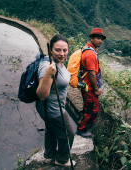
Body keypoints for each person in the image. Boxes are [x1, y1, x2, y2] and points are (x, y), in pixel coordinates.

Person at [35, 35, 75, 167]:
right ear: (50, 50)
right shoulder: (47, 66)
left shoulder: (59, 63)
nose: (62, 54)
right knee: (68, 134)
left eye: (65, 50)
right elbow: (41, 94)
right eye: (58, 50)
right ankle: (62, 160)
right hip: (53, 109)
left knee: (51, 130)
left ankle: (49, 156)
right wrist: (47, 74)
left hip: (52, 108)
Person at [76, 28, 105, 137]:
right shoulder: (90, 54)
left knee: (89, 108)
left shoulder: (88, 50)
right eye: (98, 38)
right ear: (91, 38)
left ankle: (83, 126)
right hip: (89, 88)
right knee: (92, 109)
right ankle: (82, 129)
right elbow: (91, 74)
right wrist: (96, 89)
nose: (100, 41)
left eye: (101, 39)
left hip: (87, 86)